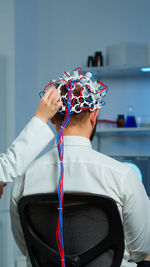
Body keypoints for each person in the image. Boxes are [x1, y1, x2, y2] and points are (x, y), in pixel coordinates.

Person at [10, 69, 150, 267]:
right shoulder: (122, 176)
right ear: (94, 115)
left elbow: (28, 247)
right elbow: (141, 250)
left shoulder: (24, 179)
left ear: (52, 117)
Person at [0, 86, 62, 197]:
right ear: (93, 116)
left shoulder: (26, 181)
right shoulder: (104, 170)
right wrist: (40, 118)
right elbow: (8, 167)